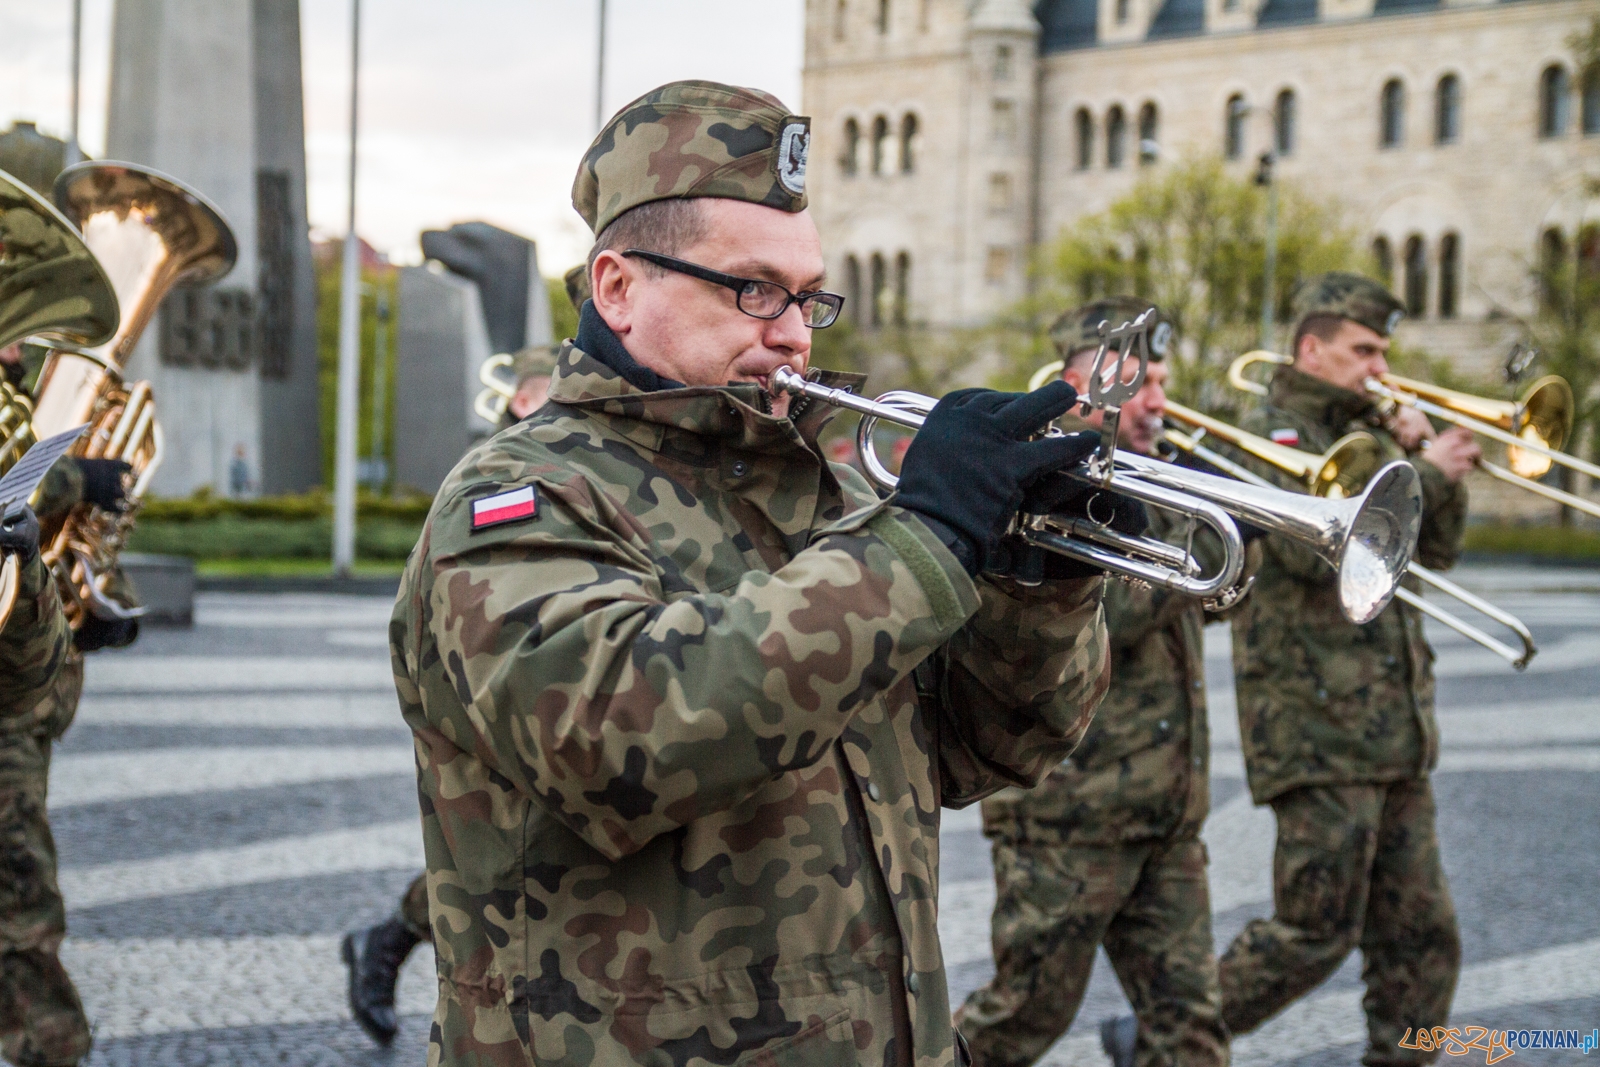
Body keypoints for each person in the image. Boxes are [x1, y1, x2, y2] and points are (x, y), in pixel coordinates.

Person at [390, 79, 1124, 1067]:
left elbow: (980, 751)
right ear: (616, 286)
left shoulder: (820, 492)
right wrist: (925, 536)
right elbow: (621, 737)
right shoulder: (522, 494)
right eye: (751, 289)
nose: (792, 331)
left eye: (806, 293)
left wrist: (1037, 591)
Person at [954, 299, 1233, 1067]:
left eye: (1164, 383)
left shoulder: (1154, 475)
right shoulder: (1041, 478)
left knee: (1192, 1032)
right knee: (1019, 1020)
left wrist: (1235, 537)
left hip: (1164, 808)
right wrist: (1187, 521)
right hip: (1069, 816)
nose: (1158, 403)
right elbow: (1121, 612)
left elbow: (1207, 607)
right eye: (1140, 383)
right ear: (1081, 384)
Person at [1217, 272, 1475, 1063]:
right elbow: (1310, 554)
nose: (1378, 365)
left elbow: (1434, 551)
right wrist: (1422, 471)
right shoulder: (1273, 430)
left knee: (1424, 937)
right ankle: (1170, 1034)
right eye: (1364, 349)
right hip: (1317, 723)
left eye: (1384, 350)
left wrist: (1432, 469)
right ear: (1312, 348)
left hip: (1394, 727)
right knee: (1313, 931)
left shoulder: (1377, 432)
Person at [0, 501, 92, 1067]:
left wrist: (28, 562)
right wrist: (78, 479)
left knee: (22, 888)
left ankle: (47, 1047)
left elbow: (27, 672)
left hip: (20, 722)